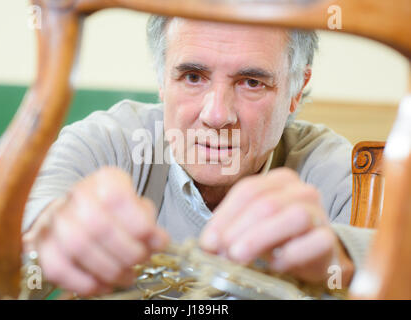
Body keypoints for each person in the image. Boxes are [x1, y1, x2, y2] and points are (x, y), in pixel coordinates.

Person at [22, 15, 374, 297]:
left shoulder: (336, 169)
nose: (217, 115)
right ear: (162, 79)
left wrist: (343, 256)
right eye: (193, 77)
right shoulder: (108, 142)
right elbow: (30, 212)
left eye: (251, 82)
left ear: (296, 90)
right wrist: (52, 228)